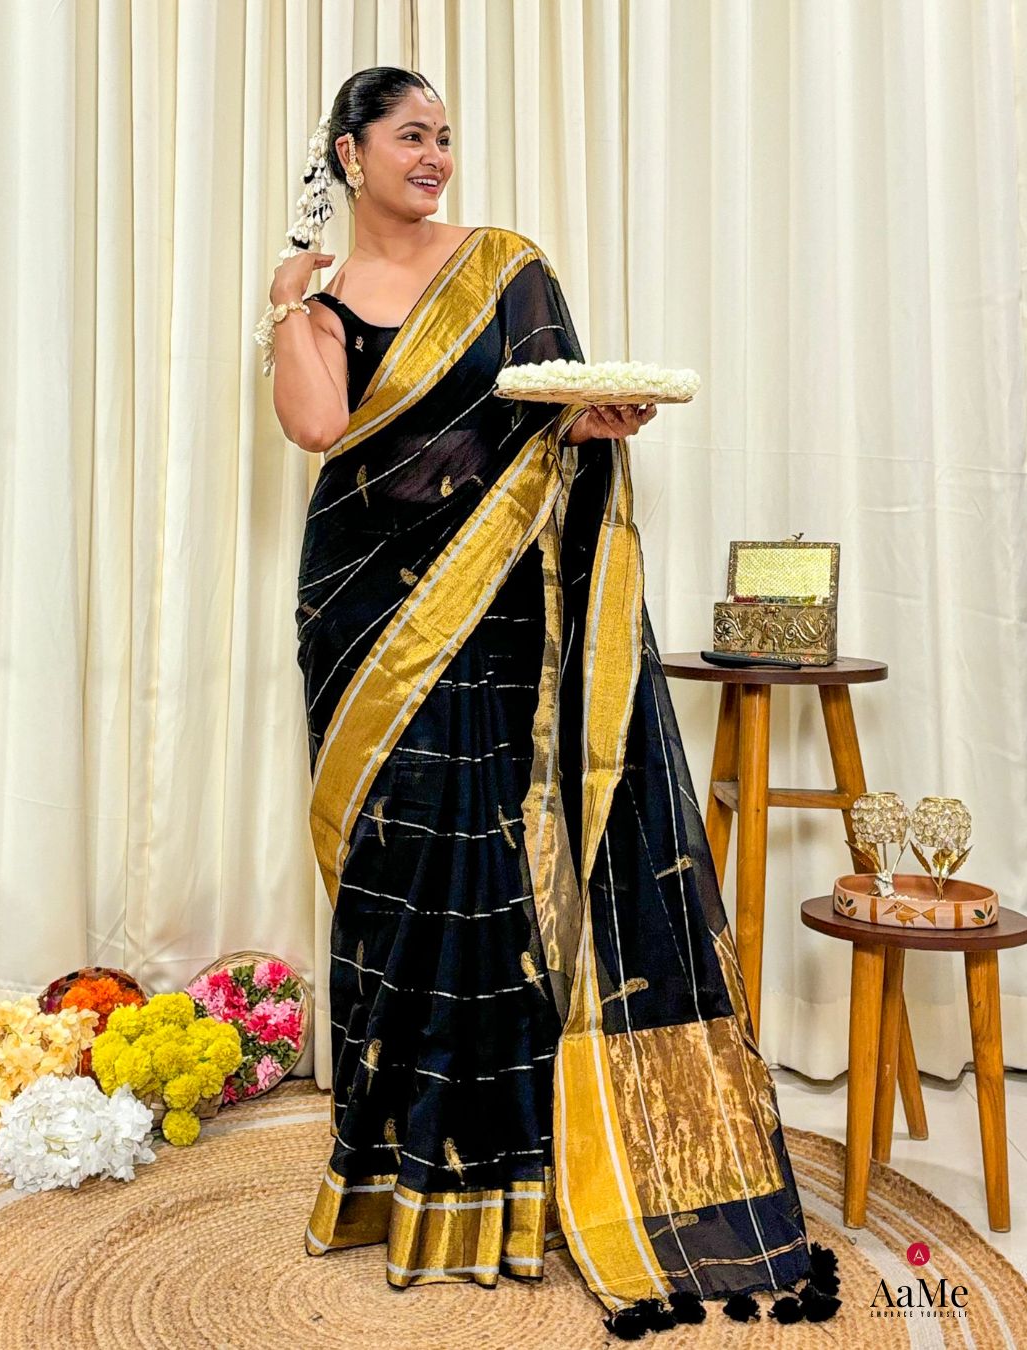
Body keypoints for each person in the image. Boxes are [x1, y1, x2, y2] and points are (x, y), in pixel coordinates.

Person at [266, 66, 841, 1336]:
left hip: (499, 617)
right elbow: (319, 429)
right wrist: (291, 304)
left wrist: (596, 425)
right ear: (351, 155)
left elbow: (546, 424)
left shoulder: (508, 267)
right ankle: (392, 1171)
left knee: (498, 870)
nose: (435, 157)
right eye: (410, 136)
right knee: (397, 874)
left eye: (445, 138)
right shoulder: (320, 293)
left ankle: (507, 1170)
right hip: (365, 618)